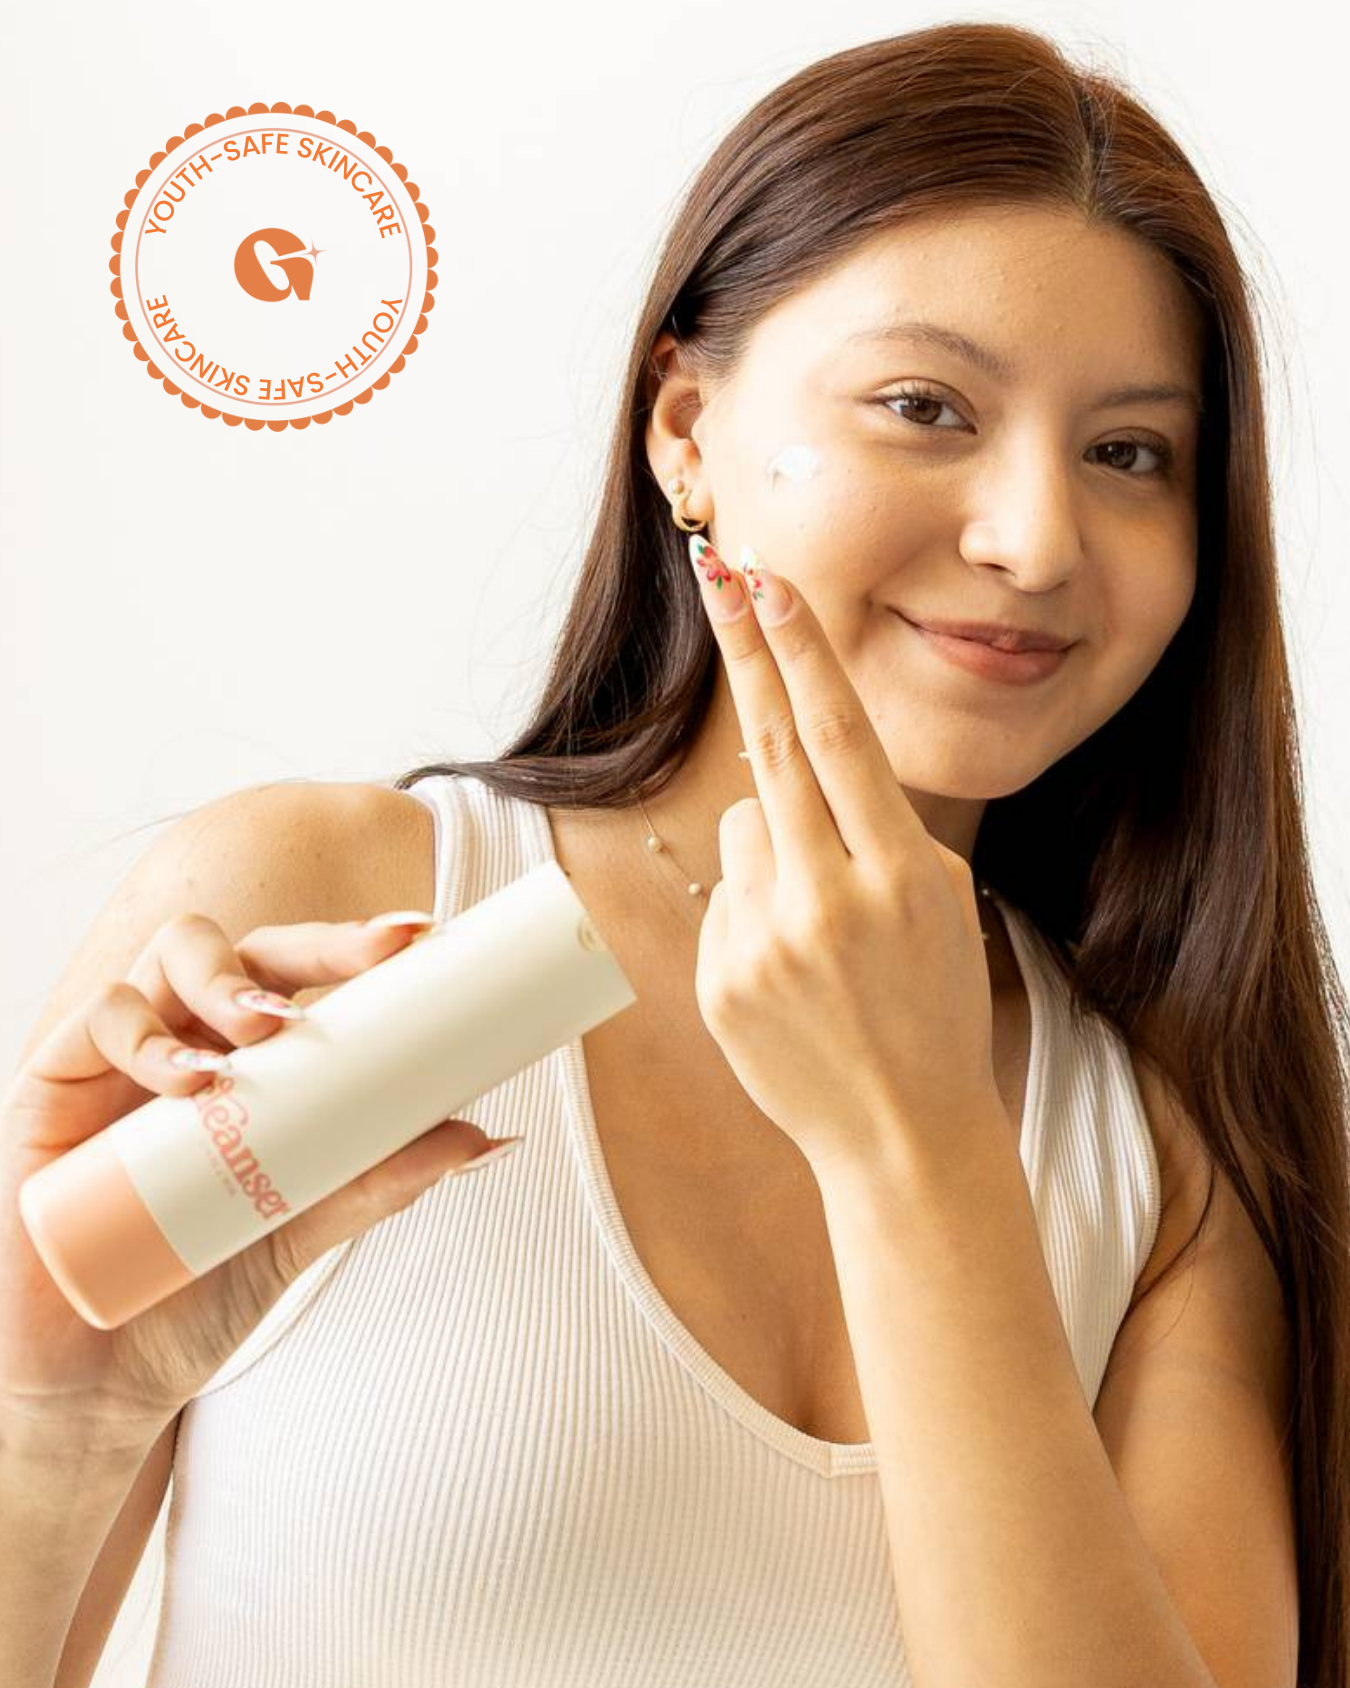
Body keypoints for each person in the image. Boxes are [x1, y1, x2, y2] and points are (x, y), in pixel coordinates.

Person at [2, 20, 1343, 1688]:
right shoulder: (338, 923)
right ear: (687, 432)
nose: (1033, 537)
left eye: (1126, 451)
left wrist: (914, 1140)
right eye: (925, 407)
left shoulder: (1157, 1169)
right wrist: (56, 1406)